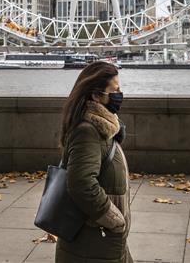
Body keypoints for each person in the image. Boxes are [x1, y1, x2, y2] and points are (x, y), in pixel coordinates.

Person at [55, 61, 132, 263]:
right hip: (95, 235)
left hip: (100, 237)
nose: (119, 95)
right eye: (115, 91)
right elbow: (81, 183)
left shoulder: (103, 128)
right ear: (97, 95)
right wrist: (113, 219)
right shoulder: (88, 131)